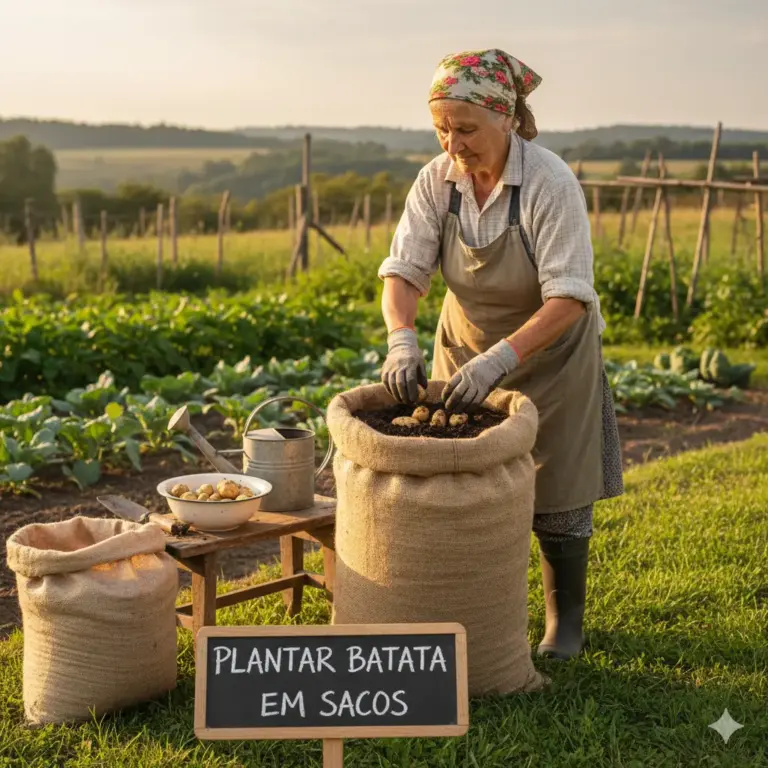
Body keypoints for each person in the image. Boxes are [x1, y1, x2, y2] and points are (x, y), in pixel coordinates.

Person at [378, 48, 624, 660]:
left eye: (466, 128)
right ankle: (471, 610)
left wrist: (500, 361)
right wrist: (400, 336)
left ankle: (563, 625)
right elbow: (404, 271)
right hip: (464, 347)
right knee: (457, 481)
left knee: (556, 486)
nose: (453, 144)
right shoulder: (436, 181)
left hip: (549, 356)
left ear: (506, 118)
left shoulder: (548, 181)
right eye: (442, 128)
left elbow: (569, 297)